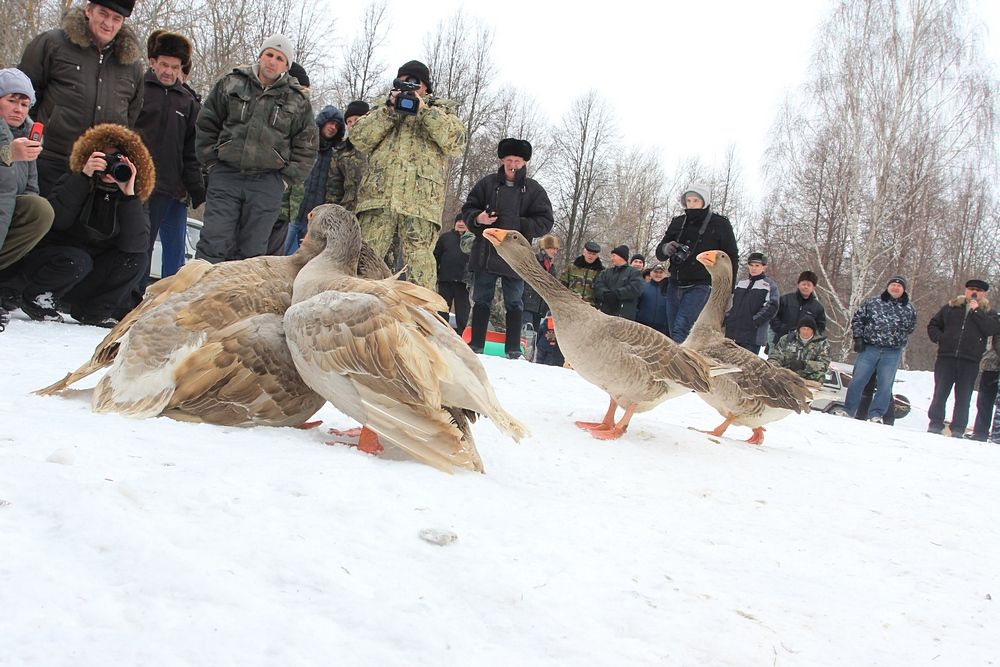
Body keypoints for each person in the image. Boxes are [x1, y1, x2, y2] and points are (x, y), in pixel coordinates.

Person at [194, 35, 317, 263]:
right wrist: (211, 163)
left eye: (279, 58)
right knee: (213, 242)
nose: (272, 61)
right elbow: (207, 123)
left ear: (286, 66)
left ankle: (238, 298)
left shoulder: (296, 99)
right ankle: (200, 296)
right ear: (261, 56)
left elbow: (307, 146)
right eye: (269, 54)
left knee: (252, 253)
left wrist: (283, 181)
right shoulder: (231, 83)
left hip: (266, 184)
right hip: (227, 175)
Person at [15, 123, 153, 326]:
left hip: (91, 278)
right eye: (105, 159)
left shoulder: (133, 197)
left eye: (118, 160)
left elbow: (136, 247)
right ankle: (38, 298)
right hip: (59, 267)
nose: (110, 166)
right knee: (79, 259)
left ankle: (94, 311)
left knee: (137, 259)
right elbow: (58, 220)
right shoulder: (75, 179)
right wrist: (83, 176)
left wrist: (128, 195)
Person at [350, 60, 466, 290]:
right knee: (364, 262)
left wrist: (423, 111)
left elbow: (455, 143)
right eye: (402, 83)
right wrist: (389, 111)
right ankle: (359, 312)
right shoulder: (382, 110)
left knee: (420, 268)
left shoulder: (441, 112)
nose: (408, 88)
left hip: (421, 205)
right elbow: (358, 138)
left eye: (414, 84)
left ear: (426, 89)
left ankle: (420, 318)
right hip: (378, 200)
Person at [19, 0, 144, 196]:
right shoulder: (52, 43)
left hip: (99, 172)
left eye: (116, 18)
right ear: (88, 10)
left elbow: (131, 115)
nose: (108, 24)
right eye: (103, 13)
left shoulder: (132, 66)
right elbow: (23, 96)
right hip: (51, 161)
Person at [463, 138, 554, 358]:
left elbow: (546, 220)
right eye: (509, 160)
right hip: (486, 251)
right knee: (482, 298)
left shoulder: (533, 190)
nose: (513, 165)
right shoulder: (487, 184)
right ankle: (476, 344)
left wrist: (522, 225)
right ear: (502, 161)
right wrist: (479, 218)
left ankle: (513, 349)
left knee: (515, 301)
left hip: (515, 256)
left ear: (524, 163)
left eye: (517, 161)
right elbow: (468, 209)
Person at [134, 30, 205, 284]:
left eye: (175, 67)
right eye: (164, 64)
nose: (168, 71)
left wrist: (197, 188)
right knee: (139, 243)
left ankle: (162, 298)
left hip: (169, 185)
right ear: (153, 62)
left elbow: (190, 151)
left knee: (169, 247)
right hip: (135, 181)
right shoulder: (137, 88)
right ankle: (131, 296)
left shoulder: (187, 103)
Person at [0, 69, 57, 330]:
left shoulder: (27, 139)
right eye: (11, 100)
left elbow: (30, 190)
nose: (18, 109)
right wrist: (6, 154)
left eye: (24, 104)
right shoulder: (14, 145)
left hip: (5, 215)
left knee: (40, 210)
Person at [655, 182, 738, 343]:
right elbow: (659, 253)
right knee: (674, 330)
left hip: (701, 285)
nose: (691, 205)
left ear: (704, 201)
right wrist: (666, 248)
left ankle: (679, 366)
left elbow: (732, 258)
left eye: (696, 201)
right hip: (675, 284)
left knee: (681, 330)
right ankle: (684, 362)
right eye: (689, 201)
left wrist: (729, 292)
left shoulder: (720, 224)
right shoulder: (678, 223)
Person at [926, 279, 1000, 437]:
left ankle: (958, 427)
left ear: (984, 294)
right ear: (966, 290)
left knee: (964, 396)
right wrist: (941, 338)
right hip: (946, 357)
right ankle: (935, 423)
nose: (974, 292)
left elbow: (991, 329)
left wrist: (976, 311)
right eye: (971, 289)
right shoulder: (951, 307)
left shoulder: (988, 312)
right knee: (940, 392)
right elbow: (933, 324)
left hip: (970, 360)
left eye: (978, 290)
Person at [843, 276, 917, 424]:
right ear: (888, 287)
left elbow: (911, 327)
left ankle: (876, 414)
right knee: (857, 380)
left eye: (899, 286)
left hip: (892, 352)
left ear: (903, 289)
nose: (895, 288)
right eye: (893, 284)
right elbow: (858, 319)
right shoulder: (873, 302)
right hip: (870, 348)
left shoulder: (909, 308)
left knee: (885, 384)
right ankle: (848, 410)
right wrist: (858, 338)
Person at [283, 105, 345, 255]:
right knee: (282, 255)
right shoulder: (304, 147)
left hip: (315, 220)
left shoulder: (335, 156)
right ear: (322, 122)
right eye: (330, 122)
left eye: (336, 125)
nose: (333, 127)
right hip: (293, 213)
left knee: (305, 260)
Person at [724, 252, 780, 354]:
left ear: (764, 267)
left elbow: (772, 307)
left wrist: (754, 321)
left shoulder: (769, 285)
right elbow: (731, 304)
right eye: (751, 265)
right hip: (732, 334)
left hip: (753, 337)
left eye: (757, 266)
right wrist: (728, 318)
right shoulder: (741, 284)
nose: (754, 268)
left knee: (747, 368)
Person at [325, 100, 370, 213]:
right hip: (349, 212)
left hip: (374, 214)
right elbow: (334, 189)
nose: (352, 124)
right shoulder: (341, 152)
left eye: (356, 119)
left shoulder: (383, 145)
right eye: (349, 122)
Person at [433, 213, 474, 335]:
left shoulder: (473, 240)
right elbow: (436, 256)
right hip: (446, 280)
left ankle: (463, 337)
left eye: (463, 221)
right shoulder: (445, 237)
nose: (461, 224)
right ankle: (439, 333)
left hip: (464, 283)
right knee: (442, 309)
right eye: (458, 221)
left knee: (463, 313)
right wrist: (436, 274)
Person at [767, 314, 830, 382]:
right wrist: (778, 369)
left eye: (808, 329)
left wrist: (804, 365)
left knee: (820, 375)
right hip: (787, 374)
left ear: (813, 330)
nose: (805, 332)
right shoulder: (786, 339)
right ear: (799, 329)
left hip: (809, 376)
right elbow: (775, 357)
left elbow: (824, 364)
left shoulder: (822, 343)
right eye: (803, 329)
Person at [770, 270, 827, 341]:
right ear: (798, 284)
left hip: (805, 346)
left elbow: (820, 327)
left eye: (809, 285)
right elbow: (773, 316)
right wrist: (782, 329)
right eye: (803, 284)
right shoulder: (785, 299)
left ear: (813, 288)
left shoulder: (818, 307)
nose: (806, 287)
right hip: (781, 341)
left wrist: (809, 335)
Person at [593, 244, 644, 320]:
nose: (612, 258)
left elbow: (635, 289)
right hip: (604, 314)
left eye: (614, 256)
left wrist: (616, 294)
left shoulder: (634, 273)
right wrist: (606, 294)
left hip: (624, 317)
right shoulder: (606, 272)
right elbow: (598, 285)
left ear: (621, 257)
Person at [522, 234, 560, 334]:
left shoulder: (551, 267)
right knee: (526, 331)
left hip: (541, 307)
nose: (555, 252)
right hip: (528, 303)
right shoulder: (534, 260)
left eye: (556, 249)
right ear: (545, 248)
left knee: (534, 334)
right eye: (553, 248)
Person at [969, 336, 999, 441]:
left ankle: (991, 434)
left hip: (991, 364)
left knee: (986, 401)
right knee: (984, 400)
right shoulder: (993, 320)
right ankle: (980, 432)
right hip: (991, 365)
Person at [560, 241, 604, 306]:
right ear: (584, 253)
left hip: (590, 307)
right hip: (571, 305)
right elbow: (562, 285)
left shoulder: (601, 272)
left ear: (597, 256)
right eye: (589, 253)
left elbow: (602, 292)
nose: (591, 256)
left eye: (593, 254)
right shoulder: (571, 268)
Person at [636, 262, 670, 335]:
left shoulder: (670, 290)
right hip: (642, 328)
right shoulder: (642, 287)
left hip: (663, 330)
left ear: (665, 274)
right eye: (656, 272)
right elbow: (635, 306)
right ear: (651, 273)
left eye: (661, 272)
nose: (658, 274)